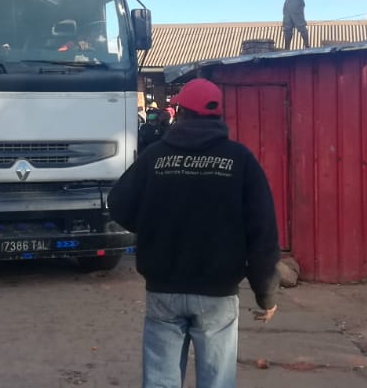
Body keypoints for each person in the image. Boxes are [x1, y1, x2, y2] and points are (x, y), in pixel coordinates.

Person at [109, 78, 281, 388]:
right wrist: (266, 294)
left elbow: (119, 203)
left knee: (160, 380)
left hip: (164, 289)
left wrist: (152, 228)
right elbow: (262, 232)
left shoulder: (155, 157)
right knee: (217, 380)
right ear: (217, 114)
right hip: (217, 293)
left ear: (181, 113)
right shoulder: (240, 160)